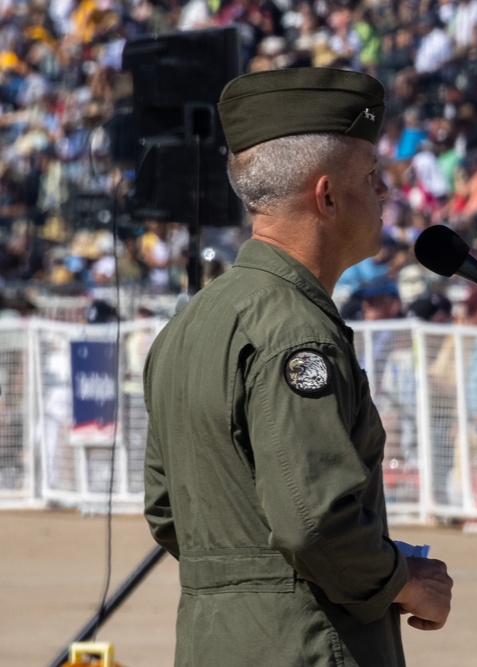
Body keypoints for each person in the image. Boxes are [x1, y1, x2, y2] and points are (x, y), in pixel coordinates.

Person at [143, 68, 452, 667]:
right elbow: (317, 524)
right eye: (371, 176)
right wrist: (407, 583)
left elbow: (166, 510)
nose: (386, 193)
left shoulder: (190, 322)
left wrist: (251, 584)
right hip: (308, 646)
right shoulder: (295, 329)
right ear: (327, 195)